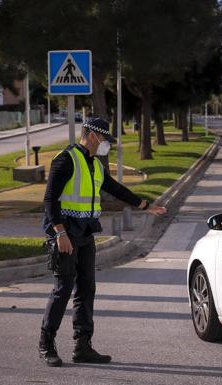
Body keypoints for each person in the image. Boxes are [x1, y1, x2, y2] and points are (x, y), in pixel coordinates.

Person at [39, 117, 167, 367]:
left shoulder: (95, 165)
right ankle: (46, 344)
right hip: (66, 233)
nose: (106, 143)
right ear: (92, 135)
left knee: (87, 289)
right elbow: (49, 200)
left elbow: (116, 189)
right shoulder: (65, 160)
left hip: (85, 233)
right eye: (104, 138)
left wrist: (144, 205)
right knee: (62, 289)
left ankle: (82, 346)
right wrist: (60, 233)